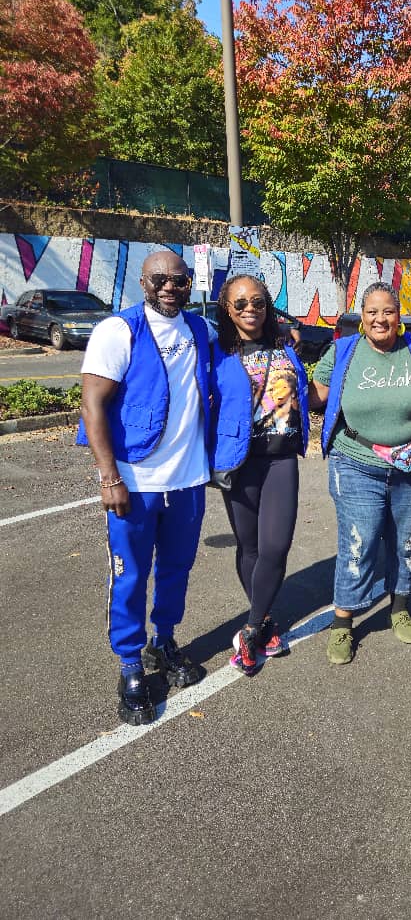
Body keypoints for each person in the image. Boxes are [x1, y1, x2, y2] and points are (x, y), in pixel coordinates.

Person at [78, 251, 213, 725]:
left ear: (190, 283)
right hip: (135, 482)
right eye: (160, 279)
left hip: (188, 480)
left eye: (179, 279)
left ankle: (164, 642)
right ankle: (130, 663)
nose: (170, 287)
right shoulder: (118, 331)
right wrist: (109, 477)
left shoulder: (200, 329)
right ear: (143, 281)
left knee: (176, 570)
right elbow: (92, 405)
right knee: (130, 576)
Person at [310, 282, 411, 664]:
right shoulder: (343, 351)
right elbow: (315, 398)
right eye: (372, 312)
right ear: (362, 317)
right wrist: (279, 383)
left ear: (399, 316)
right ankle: (343, 622)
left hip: (410, 465)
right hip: (356, 461)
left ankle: (399, 607)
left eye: (388, 311)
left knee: (405, 542)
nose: (380, 319)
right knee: (359, 542)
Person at [209, 274, 310, 675]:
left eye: (257, 302)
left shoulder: (285, 344)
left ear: (268, 307)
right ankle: (265, 622)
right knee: (248, 546)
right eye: (240, 303)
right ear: (227, 309)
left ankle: (250, 631)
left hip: (281, 459)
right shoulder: (217, 351)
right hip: (239, 461)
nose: (249, 309)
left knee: (275, 547)